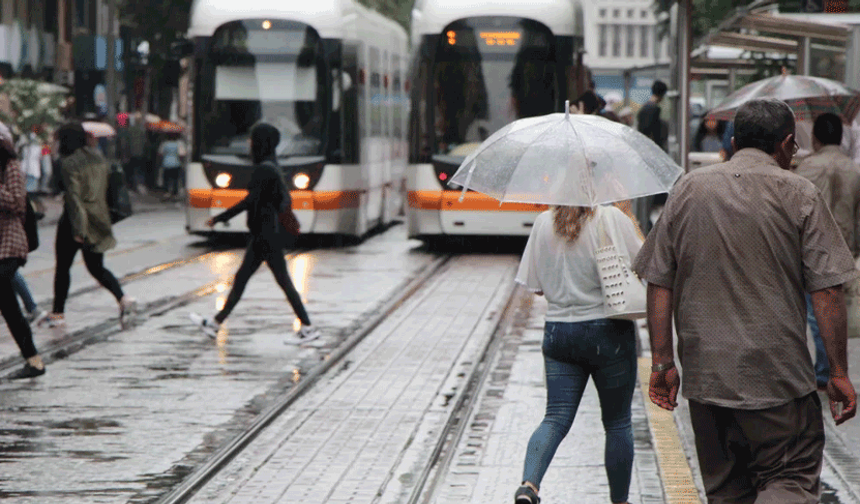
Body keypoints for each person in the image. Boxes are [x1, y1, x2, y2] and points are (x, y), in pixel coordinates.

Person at [633, 98, 857, 503]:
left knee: (726, 492)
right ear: (787, 143)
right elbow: (826, 291)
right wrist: (838, 371)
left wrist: (663, 362)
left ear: (735, 140)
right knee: (789, 478)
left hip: (707, 381)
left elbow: (658, 280)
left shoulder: (688, 188)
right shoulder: (799, 193)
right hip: (777, 380)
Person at [513, 203, 644, 504]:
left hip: (559, 332)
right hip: (607, 331)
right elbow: (645, 263)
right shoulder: (610, 217)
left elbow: (536, 288)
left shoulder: (543, 222)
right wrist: (629, 218)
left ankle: (529, 486)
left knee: (555, 417)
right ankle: (620, 501)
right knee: (617, 422)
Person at [189, 123, 320, 342]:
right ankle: (215, 323)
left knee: (280, 282)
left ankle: (308, 327)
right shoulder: (272, 167)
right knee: (246, 280)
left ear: (260, 143)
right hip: (266, 234)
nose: (249, 143)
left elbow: (249, 201)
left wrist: (220, 218)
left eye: (252, 139)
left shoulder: (264, 170)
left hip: (265, 236)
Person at [36, 123, 136, 329]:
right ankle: (123, 299)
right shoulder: (100, 159)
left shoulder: (68, 163)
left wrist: (79, 230)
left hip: (74, 222)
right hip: (99, 219)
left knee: (63, 267)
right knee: (96, 267)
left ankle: (58, 313)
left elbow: (74, 199)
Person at [794, 112, 860, 390]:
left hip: (812, 249)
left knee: (814, 311)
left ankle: (825, 370)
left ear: (816, 138)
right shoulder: (853, 169)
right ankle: (835, 367)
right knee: (839, 309)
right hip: (845, 248)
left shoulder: (806, 168)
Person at [0, 121, 46, 379]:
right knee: (9, 308)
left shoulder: (11, 168)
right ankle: (34, 361)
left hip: (10, 243)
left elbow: (18, 204)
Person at [636, 80, 668, 151]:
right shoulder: (654, 108)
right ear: (662, 94)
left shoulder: (645, 106)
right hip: (650, 146)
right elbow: (653, 130)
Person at [158, 131, 186, 199]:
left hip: (166, 163)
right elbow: (182, 154)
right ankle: (174, 193)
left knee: (166, 179)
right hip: (176, 163)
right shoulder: (179, 144)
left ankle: (166, 192)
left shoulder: (164, 144)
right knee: (175, 179)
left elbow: (160, 154)